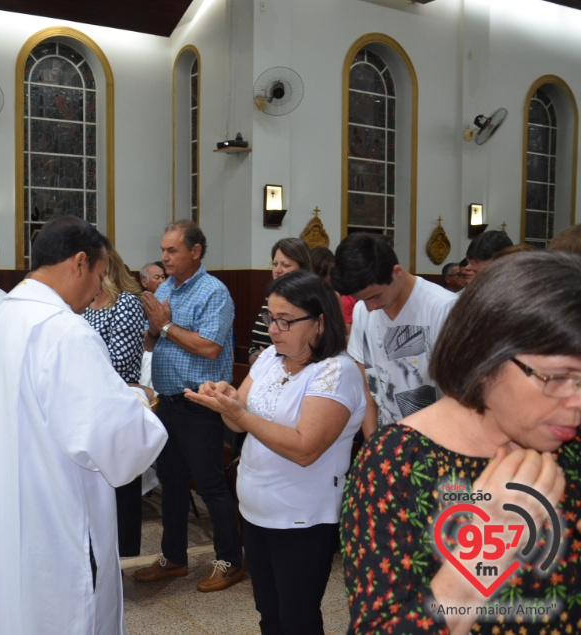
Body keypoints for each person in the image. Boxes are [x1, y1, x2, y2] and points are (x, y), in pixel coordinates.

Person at [341, 250, 581, 634]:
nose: (577, 402)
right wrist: (487, 547)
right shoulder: (395, 464)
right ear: (486, 357)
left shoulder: (570, 445)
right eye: (557, 378)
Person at [0, 216, 167, 635]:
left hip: (2, 509)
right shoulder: (65, 331)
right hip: (55, 520)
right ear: (79, 263)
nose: (97, 291)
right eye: (101, 275)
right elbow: (114, 442)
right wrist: (143, 402)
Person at [186, 270, 366, 635]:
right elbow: (239, 423)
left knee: (296, 618)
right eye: (270, 317)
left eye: (285, 320)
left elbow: (304, 449)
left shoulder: (336, 371)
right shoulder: (271, 356)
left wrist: (239, 412)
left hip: (302, 519)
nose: (273, 328)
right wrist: (225, 400)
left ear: (319, 322)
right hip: (256, 512)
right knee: (269, 614)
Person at [134, 219, 244, 593]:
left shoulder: (215, 292)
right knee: (173, 482)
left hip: (200, 403)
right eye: (163, 250)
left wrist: (164, 326)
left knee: (210, 484)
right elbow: (154, 344)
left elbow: (210, 346)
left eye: (172, 250)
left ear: (195, 252)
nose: (164, 257)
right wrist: (152, 329)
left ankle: (230, 560)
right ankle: (174, 558)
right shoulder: (167, 287)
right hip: (168, 402)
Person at [331, 233, 456, 436]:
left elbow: (458, 394)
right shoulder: (363, 311)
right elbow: (365, 386)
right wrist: (375, 446)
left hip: (439, 440)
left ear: (396, 272)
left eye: (376, 296)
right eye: (362, 300)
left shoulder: (443, 308)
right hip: (388, 441)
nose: (371, 308)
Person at [83, 246, 147, 557]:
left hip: (116, 405)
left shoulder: (126, 304)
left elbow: (120, 363)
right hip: (89, 405)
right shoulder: (85, 305)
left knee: (119, 484)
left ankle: (121, 555)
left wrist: (79, 371)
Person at [248, 238, 312, 365]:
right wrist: (252, 356)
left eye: (285, 265)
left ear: (302, 269)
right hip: (263, 369)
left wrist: (271, 359)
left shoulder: (308, 302)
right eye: (275, 264)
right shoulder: (272, 298)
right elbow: (258, 337)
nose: (277, 270)